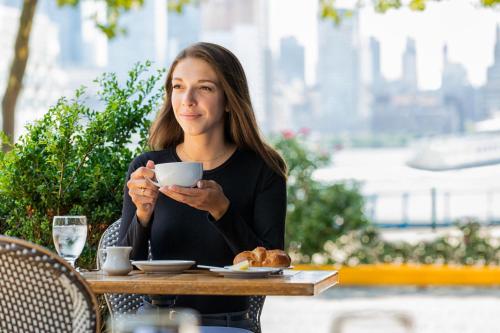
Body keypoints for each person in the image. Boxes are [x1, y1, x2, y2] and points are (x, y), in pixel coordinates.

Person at [118, 42, 287, 330]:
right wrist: (143, 214)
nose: (188, 99)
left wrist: (222, 210)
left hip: (226, 325)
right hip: (157, 323)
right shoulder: (147, 168)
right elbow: (122, 267)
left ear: (230, 99)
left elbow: (271, 266)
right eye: (178, 87)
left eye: (205, 88)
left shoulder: (263, 171)